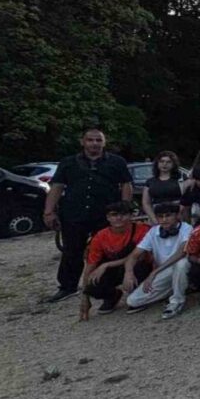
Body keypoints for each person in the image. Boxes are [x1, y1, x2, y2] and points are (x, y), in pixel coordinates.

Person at [43, 127, 133, 303]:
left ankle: (106, 287)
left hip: (105, 215)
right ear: (82, 142)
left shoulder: (117, 162)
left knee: (108, 252)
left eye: (98, 140)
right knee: (71, 251)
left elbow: (126, 185)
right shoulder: (68, 163)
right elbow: (57, 187)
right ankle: (67, 287)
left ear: (104, 142)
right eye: (90, 140)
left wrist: (125, 209)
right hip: (74, 214)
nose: (94, 143)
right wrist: (49, 212)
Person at [78, 202, 150, 319]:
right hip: (116, 268)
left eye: (123, 214)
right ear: (108, 218)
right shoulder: (100, 236)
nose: (119, 218)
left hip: (138, 265)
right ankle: (112, 296)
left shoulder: (142, 230)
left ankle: (138, 295)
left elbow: (138, 256)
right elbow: (90, 267)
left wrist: (106, 265)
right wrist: (85, 297)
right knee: (93, 281)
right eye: (114, 215)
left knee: (139, 267)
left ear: (131, 215)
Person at [121, 202, 193, 319]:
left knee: (181, 263)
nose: (164, 219)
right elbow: (134, 255)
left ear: (176, 216)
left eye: (168, 216)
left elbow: (182, 252)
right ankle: (175, 289)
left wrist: (154, 272)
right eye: (160, 216)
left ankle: (177, 301)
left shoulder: (187, 228)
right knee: (132, 301)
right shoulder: (153, 231)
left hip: (182, 268)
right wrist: (128, 273)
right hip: (164, 272)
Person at [141, 151, 183, 225]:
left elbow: (185, 200)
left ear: (173, 164)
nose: (164, 164)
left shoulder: (181, 180)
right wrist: (154, 219)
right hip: (156, 216)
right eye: (162, 161)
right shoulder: (150, 181)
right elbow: (146, 203)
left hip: (177, 216)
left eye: (168, 162)